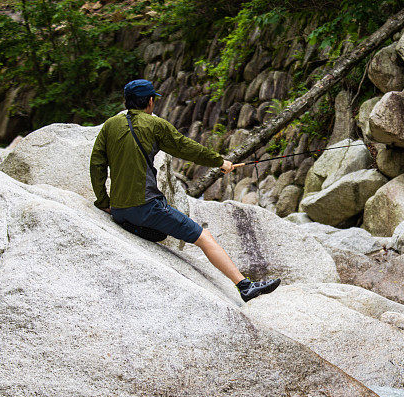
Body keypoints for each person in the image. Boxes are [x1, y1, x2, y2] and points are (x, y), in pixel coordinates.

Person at [90, 79, 280, 302]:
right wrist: (220, 162)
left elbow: (97, 164)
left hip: (120, 210)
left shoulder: (110, 125)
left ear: (126, 101)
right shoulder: (154, 125)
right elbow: (186, 148)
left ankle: (139, 226)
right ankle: (244, 285)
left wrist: (104, 201)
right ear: (150, 101)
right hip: (147, 207)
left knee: (160, 233)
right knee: (204, 237)